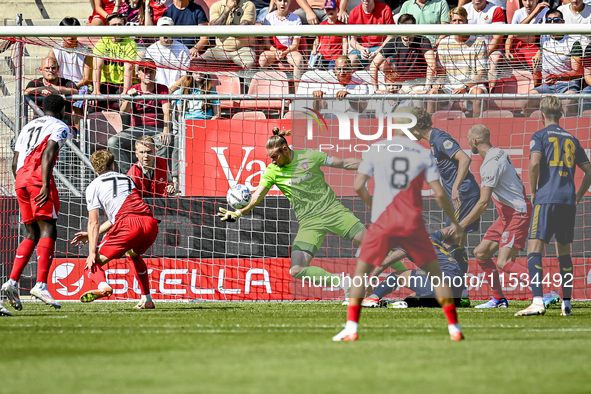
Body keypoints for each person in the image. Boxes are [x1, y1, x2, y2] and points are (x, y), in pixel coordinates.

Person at [333, 106, 465, 342]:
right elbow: (440, 194)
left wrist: (372, 204)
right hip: (412, 223)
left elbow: (358, 187)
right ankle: (454, 327)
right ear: (412, 127)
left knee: (361, 274)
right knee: (437, 277)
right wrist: (454, 220)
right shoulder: (423, 153)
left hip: (384, 220)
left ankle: (351, 328)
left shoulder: (377, 149)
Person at [217, 128, 367, 296]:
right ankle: (345, 283)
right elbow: (257, 195)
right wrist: (239, 213)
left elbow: (345, 164)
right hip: (309, 222)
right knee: (296, 269)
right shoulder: (272, 171)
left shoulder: (310, 156)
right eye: (270, 158)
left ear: (285, 149)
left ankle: (393, 280)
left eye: (274, 156)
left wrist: (372, 164)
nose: (272, 161)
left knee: (374, 245)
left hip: (333, 212)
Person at [516, 96, 591, 317]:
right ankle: (566, 303)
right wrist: (578, 195)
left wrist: (532, 191)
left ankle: (538, 301)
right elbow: (589, 171)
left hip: (547, 198)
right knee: (564, 253)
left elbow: (535, 162)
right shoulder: (572, 138)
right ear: (561, 114)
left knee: (534, 250)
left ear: (541, 114)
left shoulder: (539, 135)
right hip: (568, 200)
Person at [1, 95, 72, 311]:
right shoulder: (60, 125)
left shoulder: (27, 126)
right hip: (37, 179)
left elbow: (14, 160)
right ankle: (40, 284)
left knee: (31, 233)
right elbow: (49, 152)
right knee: (49, 228)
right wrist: (43, 185)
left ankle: (11, 282)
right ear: (62, 109)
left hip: (20, 180)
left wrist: (21, 184)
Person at [456, 124, 533, 308]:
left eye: (469, 139)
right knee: (480, 253)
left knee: (504, 262)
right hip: (506, 215)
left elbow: (483, 203)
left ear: (475, 141)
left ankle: (546, 291)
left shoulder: (489, 164)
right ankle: (498, 299)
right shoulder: (498, 152)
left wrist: (461, 225)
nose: (469, 143)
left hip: (517, 213)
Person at [71, 150, 159, 309]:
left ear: (95, 169)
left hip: (128, 225)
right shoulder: (127, 178)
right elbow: (116, 217)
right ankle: (147, 299)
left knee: (92, 263)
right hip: (150, 223)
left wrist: (92, 252)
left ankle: (103, 286)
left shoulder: (93, 186)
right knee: (133, 254)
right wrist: (90, 236)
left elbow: (94, 223)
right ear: (113, 165)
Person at [409, 108, 479, 299]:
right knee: (456, 243)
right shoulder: (433, 141)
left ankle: (457, 290)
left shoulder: (439, 138)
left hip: (463, 194)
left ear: (415, 127)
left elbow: (465, 158)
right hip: (459, 195)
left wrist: (455, 187)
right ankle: (460, 291)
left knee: (451, 240)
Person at [362, 229, 466, 308]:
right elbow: (450, 229)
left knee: (397, 276)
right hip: (456, 291)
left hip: (442, 280)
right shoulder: (432, 236)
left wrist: (372, 279)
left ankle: (373, 298)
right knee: (418, 293)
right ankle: (405, 303)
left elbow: (384, 263)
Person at [108, 59, 172, 174]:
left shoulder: (162, 89)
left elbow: (167, 111)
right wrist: (129, 97)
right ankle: (131, 175)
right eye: (145, 71)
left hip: (156, 131)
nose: (148, 74)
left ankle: (154, 174)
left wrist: (166, 131)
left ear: (155, 73)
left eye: (151, 71)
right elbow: (123, 112)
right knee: (113, 142)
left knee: (166, 141)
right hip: (136, 131)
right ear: (138, 73)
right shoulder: (133, 89)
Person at [429, 7, 488, 118]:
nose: (457, 23)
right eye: (454, 21)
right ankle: (431, 129)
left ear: (466, 21)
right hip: (450, 86)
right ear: (451, 23)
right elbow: (441, 73)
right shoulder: (444, 43)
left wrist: (464, 87)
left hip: (471, 85)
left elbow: (482, 74)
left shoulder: (479, 42)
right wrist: (439, 80)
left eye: (460, 20)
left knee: (478, 94)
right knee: (432, 94)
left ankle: (477, 129)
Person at [522, 9, 583, 117]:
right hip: (547, 86)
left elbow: (577, 72)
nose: (552, 23)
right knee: (526, 101)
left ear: (562, 22)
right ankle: (531, 127)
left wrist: (559, 77)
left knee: (569, 101)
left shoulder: (573, 43)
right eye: (549, 21)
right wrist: (536, 10)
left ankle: (570, 127)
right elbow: (517, 33)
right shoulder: (543, 39)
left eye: (555, 20)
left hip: (567, 86)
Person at [369, 14, 436, 99]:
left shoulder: (423, 40)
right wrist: (376, 89)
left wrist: (426, 88)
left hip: (420, 83)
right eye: (403, 28)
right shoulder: (393, 43)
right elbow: (373, 65)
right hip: (401, 85)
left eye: (408, 28)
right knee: (387, 99)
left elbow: (432, 64)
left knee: (417, 102)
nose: (406, 32)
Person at [92, 13, 137, 111]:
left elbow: (128, 68)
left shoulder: (130, 43)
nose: (117, 27)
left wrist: (126, 91)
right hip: (105, 83)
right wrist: (96, 90)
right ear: (108, 27)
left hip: (123, 83)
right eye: (114, 25)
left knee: (127, 105)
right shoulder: (102, 42)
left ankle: (127, 127)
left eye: (119, 25)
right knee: (93, 105)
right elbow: (97, 67)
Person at [462, 0, 506, 88]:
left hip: (491, 50)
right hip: (469, 49)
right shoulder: (464, 9)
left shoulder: (496, 10)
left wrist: (482, 54)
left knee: (495, 59)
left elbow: (498, 38)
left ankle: (491, 94)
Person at [201, 0, 257, 69]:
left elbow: (243, 29)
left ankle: (245, 80)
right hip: (220, 49)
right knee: (198, 62)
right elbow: (214, 29)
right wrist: (227, 9)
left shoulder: (248, 5)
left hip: (242, 49)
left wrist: (222, 31)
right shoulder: (216, 6)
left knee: (249, 63)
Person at [25, 57, 79, 126]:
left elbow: (76, 92)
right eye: (47, 68)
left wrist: (57, 89)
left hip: (64, 125)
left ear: (58, 68)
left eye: (53, 68)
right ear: (41, 70)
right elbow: (26, 92)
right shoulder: (35, 83)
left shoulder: (66, 83)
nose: (50, 71)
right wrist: (42, 89)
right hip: (41, 125)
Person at [260, 0, 305, 81]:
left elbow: (295, 45)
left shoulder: (296, 18)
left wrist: (285, 52)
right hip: (273, 51)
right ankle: (265, 88)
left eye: (285, 1)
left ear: (290, 2)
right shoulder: (268, 18)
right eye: (280, 0)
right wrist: (276, 51)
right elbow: (266, 43)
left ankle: (297, 90)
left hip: (289, 51)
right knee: (263, 59)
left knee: (298, 60)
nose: (283, 4)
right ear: (275, 2)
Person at [144, 17, 192, 88]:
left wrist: (171, 90)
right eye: (163, 31)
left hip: (178, 92)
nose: (165, 34)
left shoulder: (183, 49)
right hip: (157, 92)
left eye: (167, 30)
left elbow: (186, 75)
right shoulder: (150, 50)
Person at [505, 0, 548, 76]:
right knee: (505, 62)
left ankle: (537, 87)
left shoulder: (545, 11)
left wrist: (540, 52)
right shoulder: (518, 13)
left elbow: (546, 37)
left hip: (536, 46)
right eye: (525, 0)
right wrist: (507, 51)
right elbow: (512, 35)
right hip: (519, 47)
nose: (528, 3)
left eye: (531, 0)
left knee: (536, 64)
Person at [348, 0, 395, 69]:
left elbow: (391, 36)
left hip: (381, 48)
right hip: (364, 50)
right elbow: (352, 41)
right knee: (348, 62)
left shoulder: (385, 9)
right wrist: (361, 49)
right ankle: (355, 80)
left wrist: (378, 52)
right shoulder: (354, 13)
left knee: (383, 64)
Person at [49, 17, 93, 91]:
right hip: (61, 86)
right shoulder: (54, 51)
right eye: (67, 32)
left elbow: (87, 78)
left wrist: (72, 88)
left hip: (81, 86)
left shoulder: (87, 50)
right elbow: (51, 75)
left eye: (73, 32)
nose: (70, 36)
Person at [309, 0, 348, 70]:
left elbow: (345, 42)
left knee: (331, 73)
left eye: (333, 9)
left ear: (338, 10)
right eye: (328, 9)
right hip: (322, 56)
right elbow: (317, 40)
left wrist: (345, 54)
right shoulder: (321, 25)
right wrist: (314, 49)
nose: (330, 11)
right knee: (317, 71)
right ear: (324, 10)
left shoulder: (342, 25)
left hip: (335, 56)